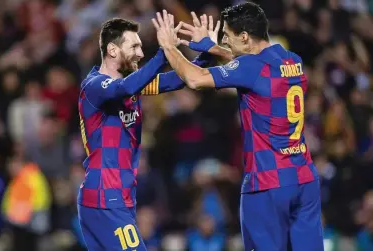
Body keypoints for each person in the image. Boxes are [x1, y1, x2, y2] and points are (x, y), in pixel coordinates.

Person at [152, 4, 323, 251]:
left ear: (244, 36)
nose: (227, 44)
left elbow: (195, 78)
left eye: (228, 38)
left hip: (267, 183)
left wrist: (169, 47)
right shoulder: (292, 60)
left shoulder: (250, 68)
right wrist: (212, 47)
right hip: (304, 178)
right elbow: (251, 66)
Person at [77, 17, 218, 251]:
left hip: (118, 198)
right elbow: (124, 88)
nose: (140, 53)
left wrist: (207, 51)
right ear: (112, 49)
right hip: (105, 197)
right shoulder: (94, 86)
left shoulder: (132, 83)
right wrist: (165, 51)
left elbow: (178, 80)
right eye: (134, 46)